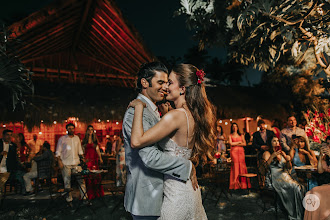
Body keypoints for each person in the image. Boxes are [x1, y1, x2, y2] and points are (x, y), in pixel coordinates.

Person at [123, 62, 205, 220]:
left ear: (183, 89)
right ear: (145, 83)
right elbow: (149, 155)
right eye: (161, 82)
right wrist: (186, 165)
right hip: (148, 196)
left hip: (172, 190)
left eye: (169, 82)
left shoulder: (172, 115)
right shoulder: (136, 112)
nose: (166, 87)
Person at [263, 135, 305, 220]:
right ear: (270, 144)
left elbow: (289, 167)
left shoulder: (282, 153)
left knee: (299, 187)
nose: (276, 143)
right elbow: (264, 168)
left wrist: (288, 159)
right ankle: (293, 213)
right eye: (274, 141)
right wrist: (272, 156)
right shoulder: (267, 153)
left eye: (277, 141)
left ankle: (299, 213)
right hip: (275, 177)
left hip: (285, 175)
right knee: (293, 187)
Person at [55, 123, 87, 205]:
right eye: (69, 128)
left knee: (81, 180)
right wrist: (59, 162)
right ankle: (69, 200)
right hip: (66, 163)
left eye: (72, 128)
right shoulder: (62, 139)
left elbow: (80, 150)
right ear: (67, 129)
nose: (71, 130)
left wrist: (83, 159)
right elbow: (58, 152)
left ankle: (84, 198)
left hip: (76, 163)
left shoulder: (77, 138)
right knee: (67, 182)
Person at [304, 136, 330, 220]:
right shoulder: (326, 158)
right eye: (328, 144)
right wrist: (320, 156)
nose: (328, 146)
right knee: (309, 194)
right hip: (327, 185)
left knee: (315, 191)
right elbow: (320, 171)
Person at [81, 125, 104, 200]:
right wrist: (83, 159)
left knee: (95, 176)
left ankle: (96, 193)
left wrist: (100, 158)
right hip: (87, 160)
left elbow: (97, 150)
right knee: (88, 177)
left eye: (92, 130)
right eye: (89, 130)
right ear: (87, 131)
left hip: (94, 159)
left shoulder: (95, 140)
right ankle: (89, 194)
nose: (90, 131)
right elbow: (83, 150)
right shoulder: (84, 140)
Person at [229, 123, 251, 189]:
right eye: (233, 127)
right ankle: (235, 185)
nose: (234, 128)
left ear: (237, 128)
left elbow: (244, 144)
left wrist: (235, 144)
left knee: (242, 166)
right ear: (232, 128)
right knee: (235, 166)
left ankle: (243, 184)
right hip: (234, 152)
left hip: (241, 152)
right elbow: (231, 143)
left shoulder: (241, 135)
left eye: (236, 126)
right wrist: (239, 143)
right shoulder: (230, 135)